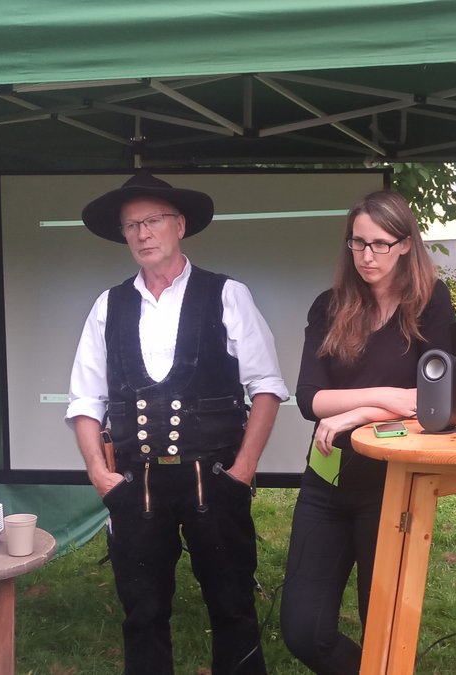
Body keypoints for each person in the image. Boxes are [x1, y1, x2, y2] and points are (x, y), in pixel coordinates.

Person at [66, 171, 289, 675]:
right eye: (131, 226)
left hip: (213, 478)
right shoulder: (109, 306)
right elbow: (84, 399)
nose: (143, 233)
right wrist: (100, 478)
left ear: (179, 224)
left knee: (233, 605)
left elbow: (268, 387)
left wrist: (244, 471)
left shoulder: (228, 294)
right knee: (142, 614)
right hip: (137, 484)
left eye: (153, 220)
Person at [279, 190, 455, 674]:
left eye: (379, 243)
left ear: (405, 244)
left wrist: (357, 414)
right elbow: (310, 399)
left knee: (386, 626)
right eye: (357, 243)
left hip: (392, 484)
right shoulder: (329, 306)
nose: (367, 256)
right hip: (326, 479)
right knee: (303, 632)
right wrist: (389, 399)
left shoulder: (431, 304)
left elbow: (437, 400)